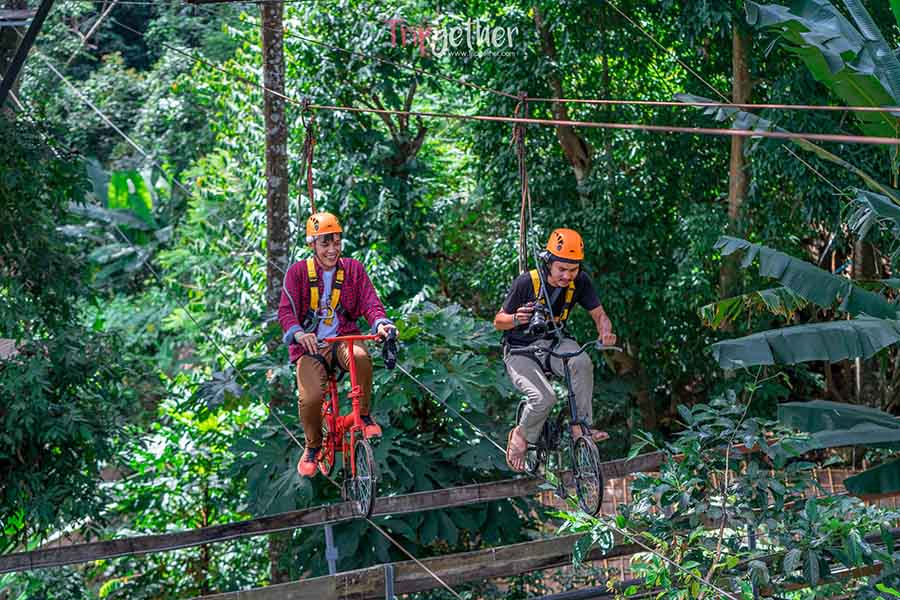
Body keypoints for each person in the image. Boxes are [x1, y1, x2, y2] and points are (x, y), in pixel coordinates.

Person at [278, 211, 396, 478]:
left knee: (361, 356)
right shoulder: (297, 274)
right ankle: (313, 446)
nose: (332, 250)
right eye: (325, 243)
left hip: (344, 339)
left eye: (336, 243)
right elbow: (285, 312)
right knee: (310, 398)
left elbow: (370, 302)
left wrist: (380, 323)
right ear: (312, 245)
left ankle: (362, 415)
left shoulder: (353, 270)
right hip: (310, 348)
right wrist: (298, 334)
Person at [494, 228, 617, 472]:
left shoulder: (580, 281)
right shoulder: (527, 282)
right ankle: (521, 434)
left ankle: (580, 426)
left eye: (573, 270)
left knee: (581, 362)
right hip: (520, 349)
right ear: (548, 263)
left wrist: (605, 331)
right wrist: (517, 319)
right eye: (562, 269)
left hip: (555, 341)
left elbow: (600, 314)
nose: (567, 275)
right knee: (544, 398)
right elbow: (498, 321)